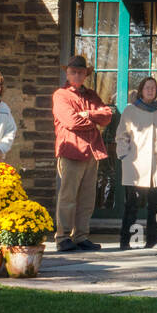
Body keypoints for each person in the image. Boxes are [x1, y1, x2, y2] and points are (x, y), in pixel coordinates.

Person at [51, 55, 114, 252]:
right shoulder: (60, 95)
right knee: (68, 196)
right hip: (71, 149)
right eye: (73, 72)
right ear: (67, 73)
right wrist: (93, 122)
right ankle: (63, 237)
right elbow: (71, 122)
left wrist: (89, 115)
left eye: (80, 72)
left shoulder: (91, 95)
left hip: (91, 151)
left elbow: (107, 116)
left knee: (87, 198)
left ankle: (80, 236)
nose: (77, 75)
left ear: (85, 75)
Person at [115, 76, 157, 251]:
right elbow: (121, 136)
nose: (150, 90)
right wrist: (124, 156)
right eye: (147, 87)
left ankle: (152, 239)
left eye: (153, 88)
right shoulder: (130, 110)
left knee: (155, 205)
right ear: (141, 89)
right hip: (136, 164)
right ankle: (125, 241)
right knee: (132, 205)